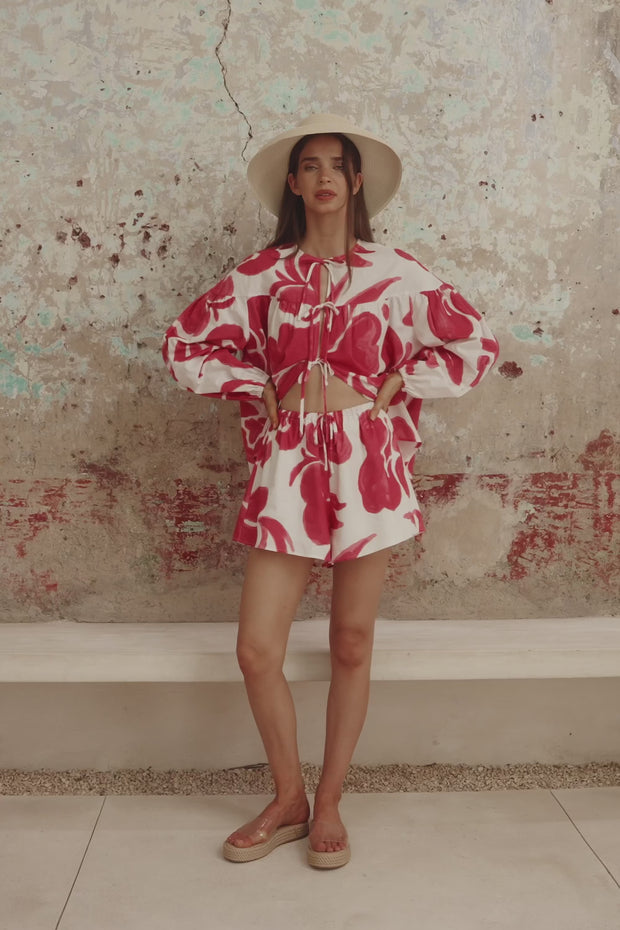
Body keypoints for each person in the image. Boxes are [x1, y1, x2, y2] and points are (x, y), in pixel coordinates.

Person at [162, 113, 499, 869]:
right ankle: (288, 798)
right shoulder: (262, 275)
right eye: (309, 165)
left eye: (336, 165)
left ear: (355, 182)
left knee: (351, 642)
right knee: (257, 650)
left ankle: (332, 801)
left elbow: (474, 341)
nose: (323, 177)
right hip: (287, 465)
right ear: (293, 182)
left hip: (365, 463)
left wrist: (402, 382)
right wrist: (251, 382)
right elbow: (184, 344)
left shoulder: (396, 272)